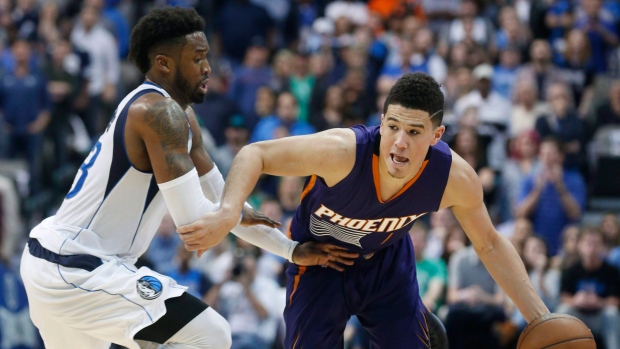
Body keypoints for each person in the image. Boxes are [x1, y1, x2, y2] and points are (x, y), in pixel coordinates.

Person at [19, 7, 344, 349]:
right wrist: (231, 216)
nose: (208, 68)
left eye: (208, 57)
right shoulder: (159, 114)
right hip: (74, 266)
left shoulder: (182, 116)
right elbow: (196, 222)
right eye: (198, 58)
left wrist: (290, 250)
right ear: (164, 63)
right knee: (211, 334)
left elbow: (223, 202)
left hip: (70, 267)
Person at [178, 72, 550, 348]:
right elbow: (254, 154)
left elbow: (488, 243)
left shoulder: (453, 177)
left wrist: (541, 319)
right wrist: (229, 212)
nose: (400, 143)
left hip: (386, 265)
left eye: (415, 132)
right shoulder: (344, 151)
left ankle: (414, 324)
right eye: (393, 126)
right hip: (319, 262)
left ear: (437, 135)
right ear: (382, 120)